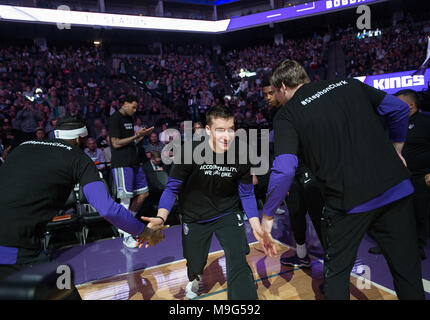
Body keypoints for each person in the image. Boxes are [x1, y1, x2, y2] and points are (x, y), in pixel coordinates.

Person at [261, 59, 425, 300]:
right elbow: (398, 109)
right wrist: (397, 149)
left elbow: (285, 169)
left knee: (336, 274)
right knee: (407, 272)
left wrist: (268, 214)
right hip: (395, 187)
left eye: (274, 92)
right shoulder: (348, 84)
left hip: (348, 200)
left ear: (283, 86)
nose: (275, 97)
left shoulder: (288, 114)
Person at [0, 117, 164, 290]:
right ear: (80, 139)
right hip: (14, 247)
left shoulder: (22, 147)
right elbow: (107, 208)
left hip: (16, 242)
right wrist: (144, 231)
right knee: (62, 290)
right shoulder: (78, 158)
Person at [139, 105, 276, 300]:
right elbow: (171, 188)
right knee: (195, 262)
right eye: (220, 130)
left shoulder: (242, 154)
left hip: (227, 212)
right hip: (195, 215)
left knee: (238, 257)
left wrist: (256, 224)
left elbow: (246, 193)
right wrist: (161, 217)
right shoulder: (190, 152)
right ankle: (195, 277)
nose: (227, 135)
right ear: (208, 130)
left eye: (230, 129)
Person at [262, 76, 325, 267]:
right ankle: (302, 255)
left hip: (309, 172)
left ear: (281, 89)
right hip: (293, 175)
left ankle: (333, 268)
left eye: (271, 93)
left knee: (318, 219)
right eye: (265, 94)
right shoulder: (276, 114)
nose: (268, 97)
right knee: (296, 215)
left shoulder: (294, 110)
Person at [369, 90, 430, 260]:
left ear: (410, 105)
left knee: (419, 214)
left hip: (419, 177)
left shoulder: (426, 122)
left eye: (398, 103)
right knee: (392, 213)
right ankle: (387, 245)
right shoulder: (391, 122)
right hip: (395, 177)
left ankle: (418, 248)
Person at [108, 95, 154, 248]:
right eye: (133, 107)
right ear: (125, 104)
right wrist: (136, 135)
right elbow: (115, 143)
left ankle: (126, 224)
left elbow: (130, 141)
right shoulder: (115, 119)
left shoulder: (129, 119)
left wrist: (140, 137)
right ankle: (127, 235)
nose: (135, 110)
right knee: (126, 200)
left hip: (134, 162)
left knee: (144, 193)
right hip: (122, 164)